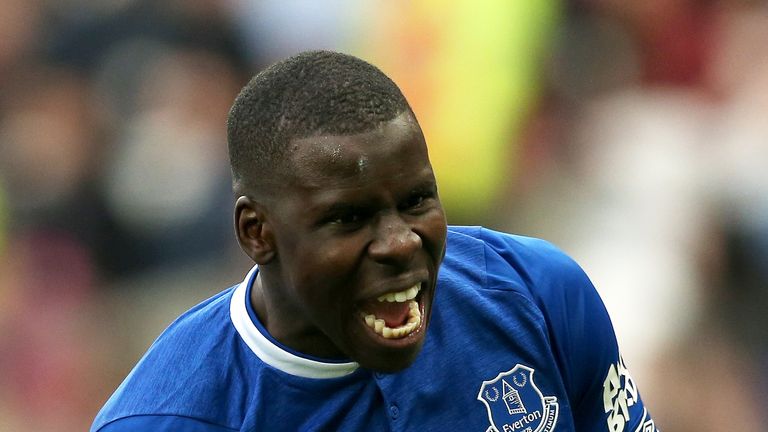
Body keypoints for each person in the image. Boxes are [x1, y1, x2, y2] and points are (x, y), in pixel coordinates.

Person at [91, 51, 658, 432]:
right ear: (256, 233)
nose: (399, 243)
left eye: (416, 201)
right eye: (349, 218)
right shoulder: (168, 418)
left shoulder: (536, 292)